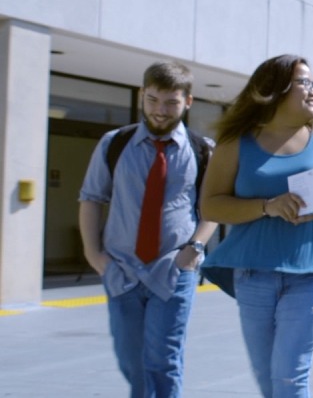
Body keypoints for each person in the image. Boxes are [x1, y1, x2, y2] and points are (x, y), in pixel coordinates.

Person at [199, 54, 313, 397]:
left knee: (290, 376)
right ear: (275, 90)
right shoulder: (237, 142)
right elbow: (211, 205)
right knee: (268, 378)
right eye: (304, 83)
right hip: (254, 273)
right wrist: (268, 206)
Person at [79, 61, 219, 398]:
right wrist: (94, 255)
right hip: (122, 268)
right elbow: (91, 198)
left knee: (163, 360)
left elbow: (212, 210)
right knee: (131, 360)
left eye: (171, 102)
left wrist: (194, 249)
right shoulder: (114, 143)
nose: (160, 110)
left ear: (188, 101)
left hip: (172, 269)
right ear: (142, 95)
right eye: (153, 100)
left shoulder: (203, 150)